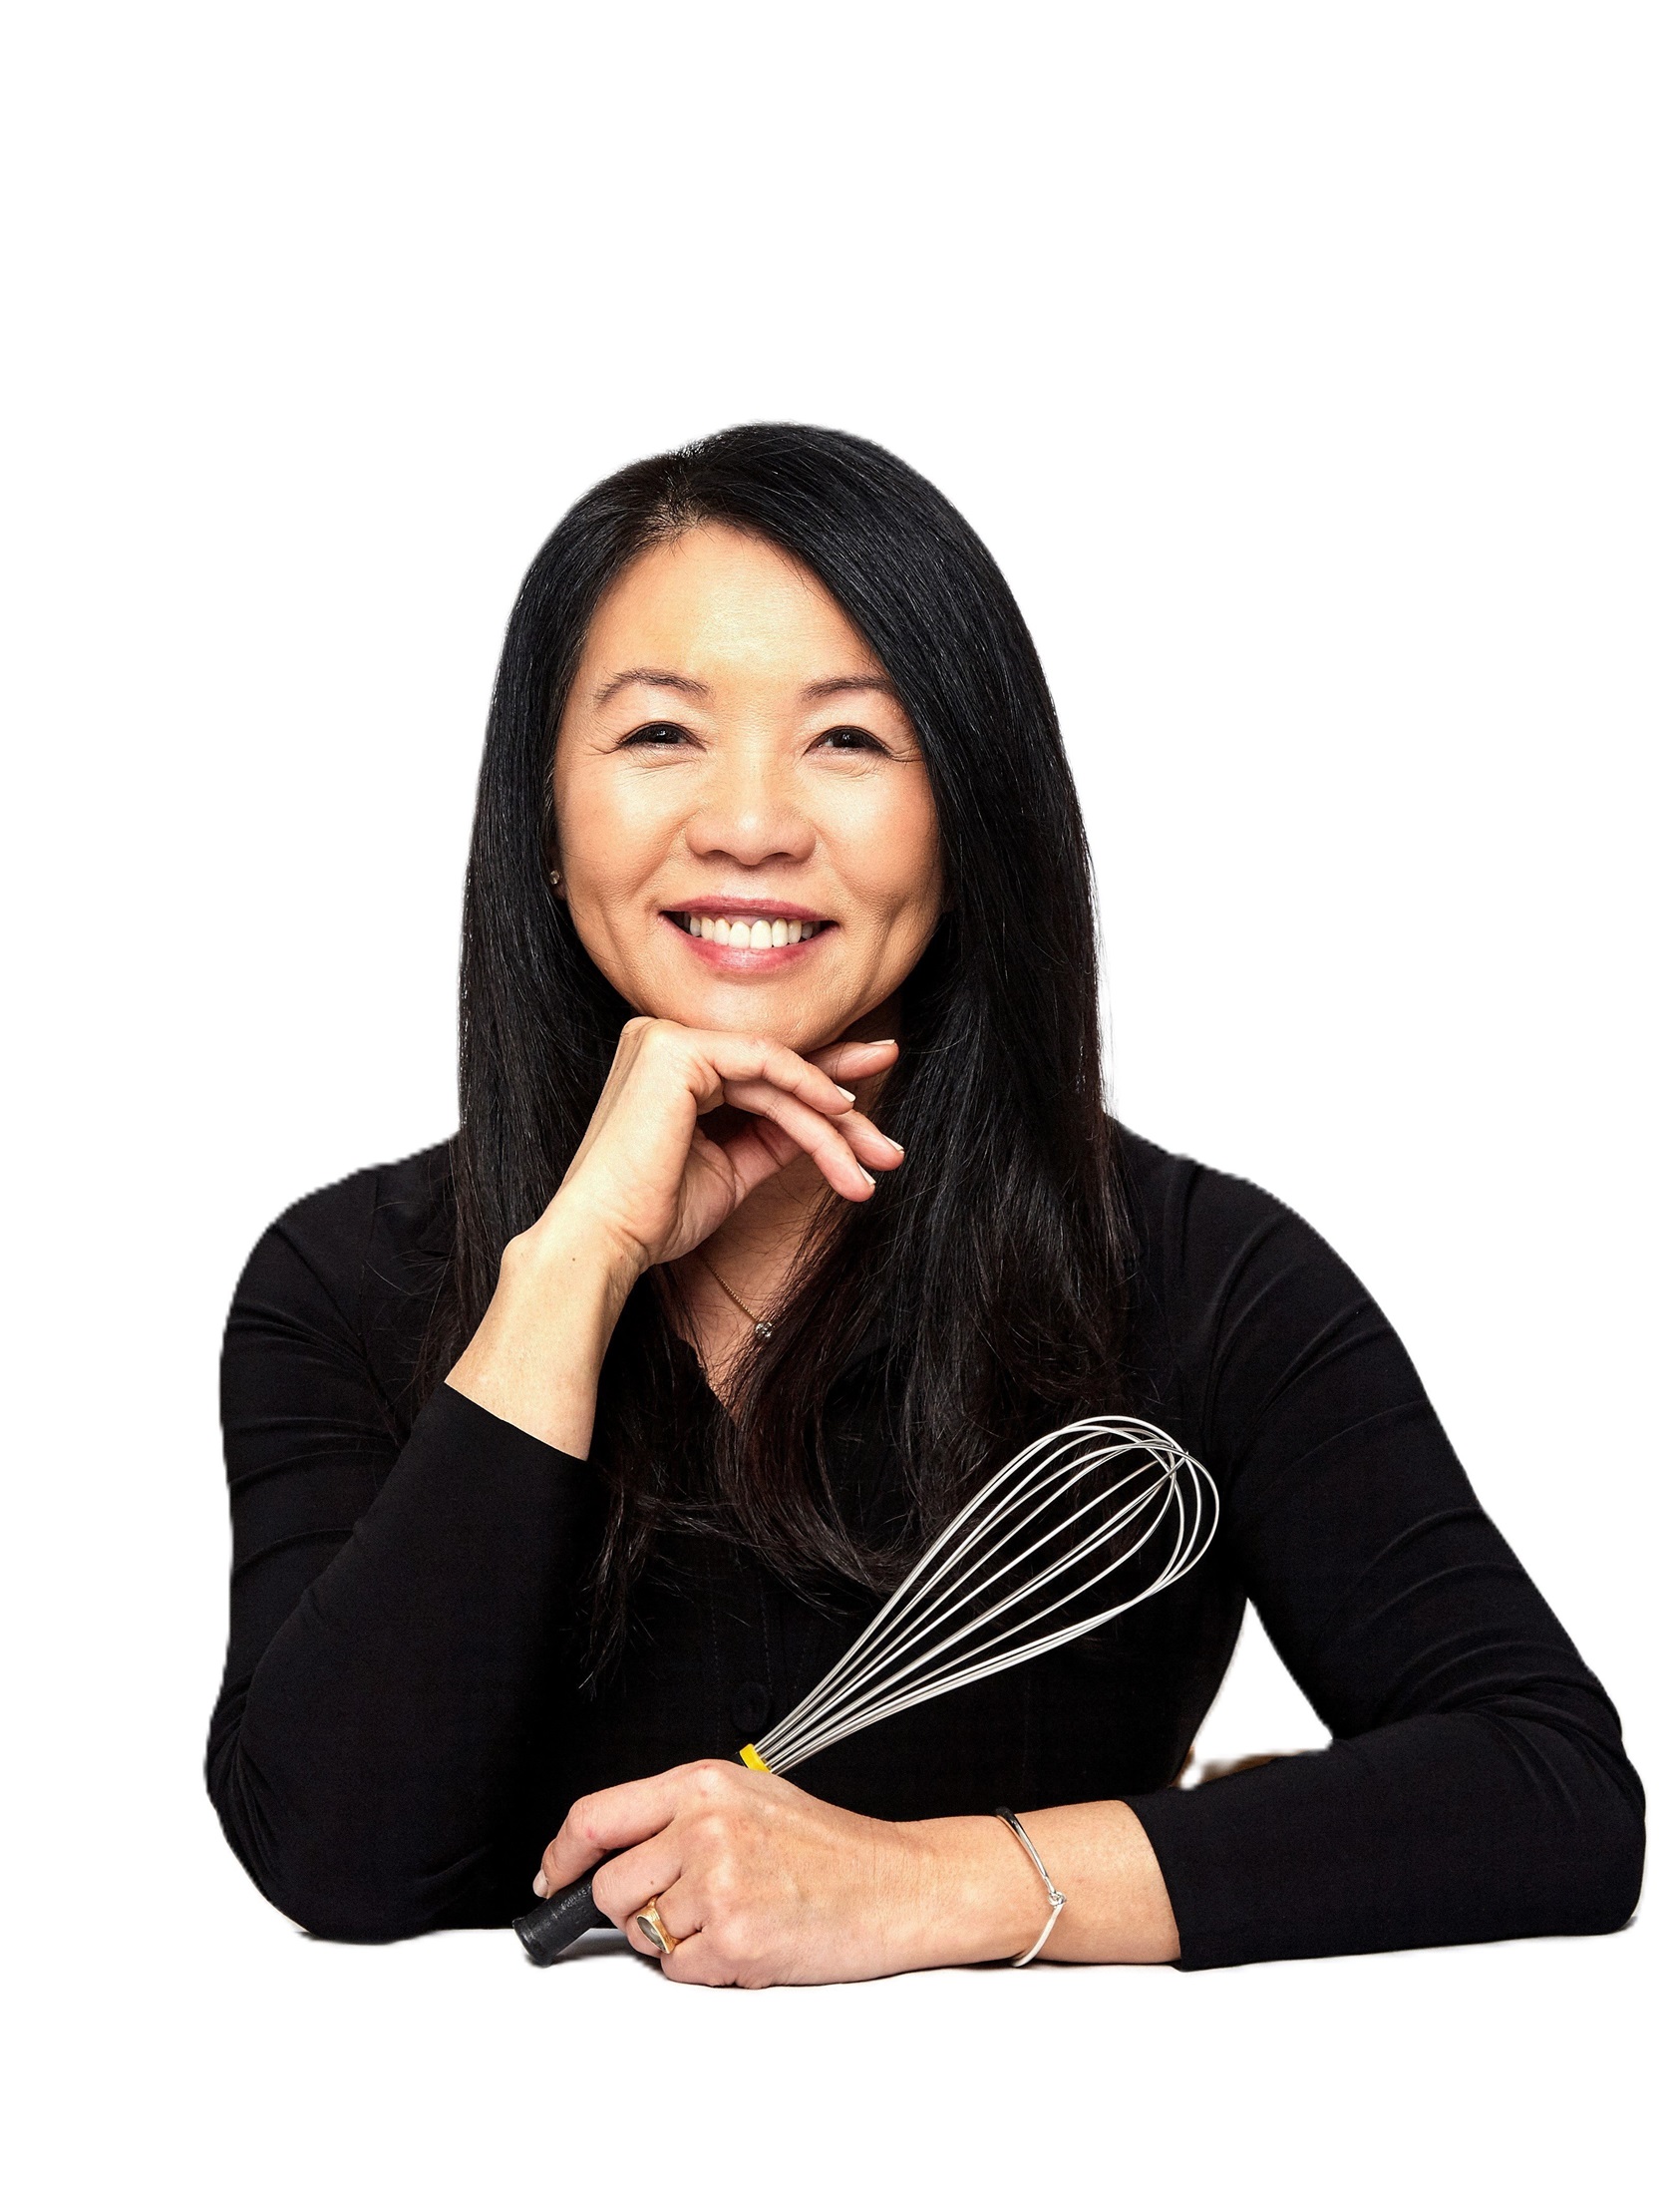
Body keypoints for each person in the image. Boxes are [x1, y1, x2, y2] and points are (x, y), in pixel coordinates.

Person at [206, 424, 1644, 1982]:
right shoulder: (341, 1285)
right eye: (660, 733)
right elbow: (339, 1857)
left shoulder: (1200, 1278)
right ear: (543, 819)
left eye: (848, 739)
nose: (749, 823)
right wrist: (577, 1259)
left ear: (968, 818)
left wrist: (927, 1886)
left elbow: (1551, 1796)